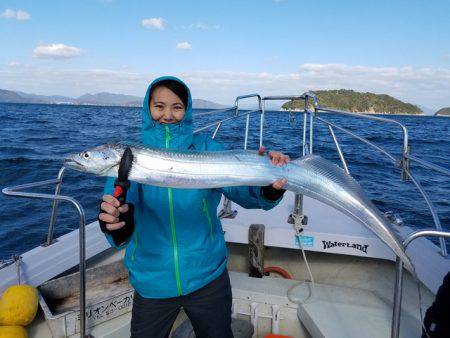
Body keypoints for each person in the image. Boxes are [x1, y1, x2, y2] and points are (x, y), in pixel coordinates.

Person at [98, 76, 289, 338]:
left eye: (177, 107)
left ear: (187, 110)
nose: (167, 114)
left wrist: (267, 188)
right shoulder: (130, 157)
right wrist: (117, 223)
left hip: (207, 275)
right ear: (148, 108)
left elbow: (242, 191)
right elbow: (119, 211)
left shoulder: (207, 149)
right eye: (159, 106)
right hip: (152, 279)